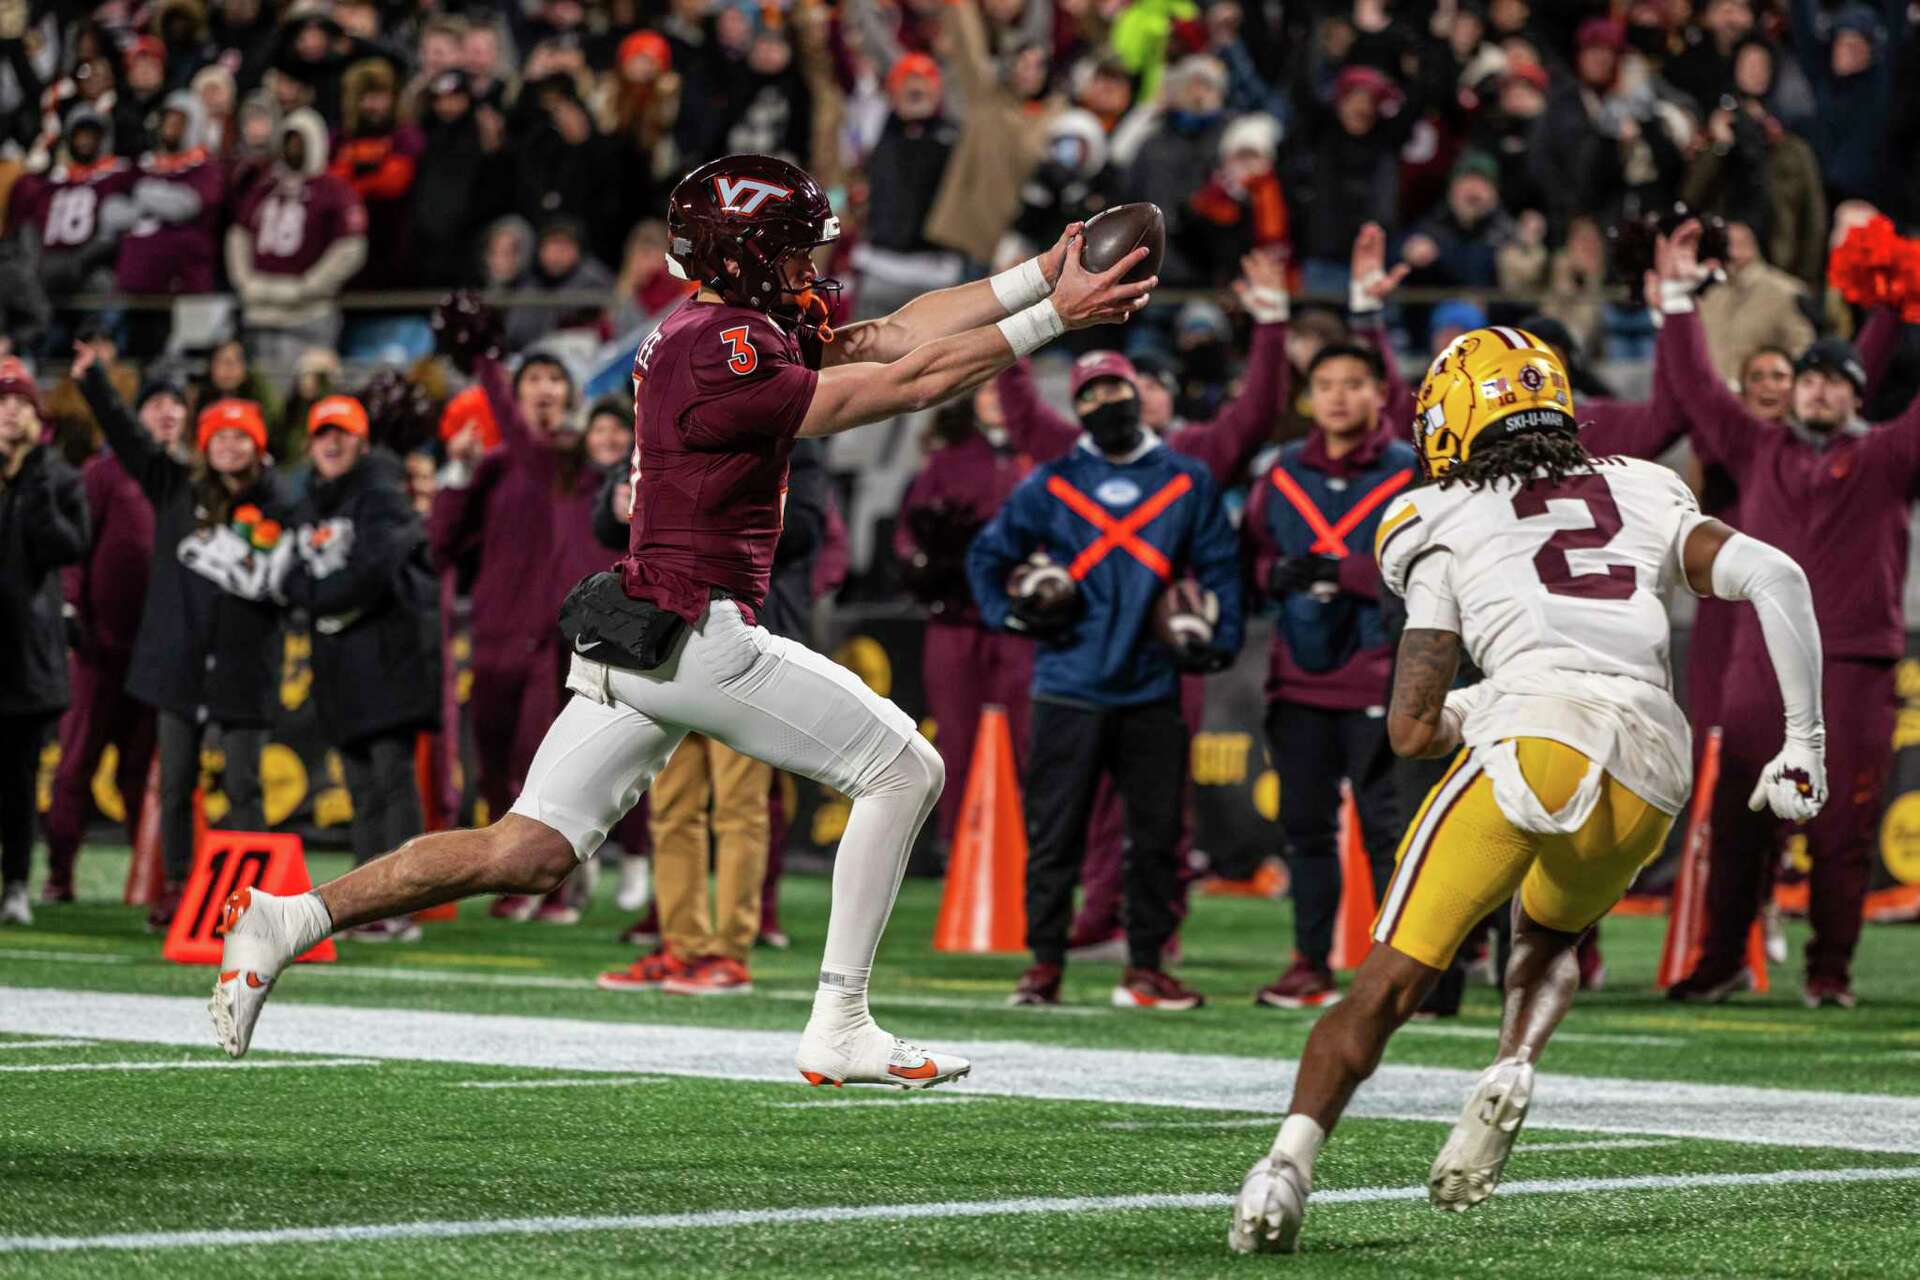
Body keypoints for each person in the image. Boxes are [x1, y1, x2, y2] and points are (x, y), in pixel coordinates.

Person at [210, 153, 1153, 1088]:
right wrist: (1053, 320)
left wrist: (1040, 274)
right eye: (789, 252)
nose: (806, 270)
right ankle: (841, 1022)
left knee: (526, 850)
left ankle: (289, 918)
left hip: (642, 630)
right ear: (744, 254)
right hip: (700, 631)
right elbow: (893, 387)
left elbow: (891, 336)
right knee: (905, 769)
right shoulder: (723, 346)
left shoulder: (718, 322)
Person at [1228, 324, 1827, 1254]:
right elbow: (1777, 576)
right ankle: (1513, 1063)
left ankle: (1284, 1169)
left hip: (1540, 735)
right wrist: (1803, 745)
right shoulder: (1643, 483)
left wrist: (1481, 703)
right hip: (1653, 765)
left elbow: (1412, 726)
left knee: (1387, 984)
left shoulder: (1434, 511)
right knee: (1552, 932)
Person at [1655, 220, 1920, 1007]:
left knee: (1842, 832)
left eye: (1836, 379)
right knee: (1741, 824)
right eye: (1809, 378)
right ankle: (1722, 960)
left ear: (1858, 389)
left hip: (1855, 663)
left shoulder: (1886, 456)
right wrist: (1673, 303)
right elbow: (1699, 389)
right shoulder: (1757, 447)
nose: (1818, 389)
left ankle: (1828, 973)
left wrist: (1901, 310)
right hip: (1758, 666)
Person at [969, 345, 1244, 1010]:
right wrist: (1008, 614)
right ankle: (1044, 965)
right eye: (1088, 396)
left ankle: (1146, 966)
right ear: (1078, 408)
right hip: (1067, 682)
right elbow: (988, 554)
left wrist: (1221, 639)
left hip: (1151, 685)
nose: (1103, 405)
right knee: (1054, 834)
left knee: (1155, 837)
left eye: (1113, 390)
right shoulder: (1051, 482)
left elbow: (1221, 567)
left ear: (1136, 392)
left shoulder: (1185, 479)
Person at [74, 344, 288, 929]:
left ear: (258, 444)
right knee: (174, 786)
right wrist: (94, 380)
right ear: (205, 441)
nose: (229, 445)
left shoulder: (283, 502)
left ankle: (253, 895)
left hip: (245, 664)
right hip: (178, 661)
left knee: (244, 784)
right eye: (219, 435)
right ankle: (176, 886)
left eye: (241, 437)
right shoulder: (174, 487)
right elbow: (128, 437)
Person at [1244, 342, 1416, 1008]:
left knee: (1390, 833)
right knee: (1305, 830)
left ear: (1381, 393)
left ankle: (1402, 970)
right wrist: (1272, 576)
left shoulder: (1411, 473)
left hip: (1381, 677)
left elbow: (1435, 563)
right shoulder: (1281, 472)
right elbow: (1250, 559)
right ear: (1307, 396)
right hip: (1299, 680)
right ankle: (1309, 964)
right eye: (1325, 383)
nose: (1339, 396)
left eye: (1353, 383)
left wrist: (1343, 575)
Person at [426, 346, 602, 924]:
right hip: (494, 638)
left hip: (556, 645)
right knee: (494, 765)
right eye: (534, 379)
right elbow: (441, 543)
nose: (545, 389)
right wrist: (456, 473)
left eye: (556, 379)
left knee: (544, 764)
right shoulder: (495, 467)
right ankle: (514, 873)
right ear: (519, 393)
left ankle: (550, 884)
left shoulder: (579, 465)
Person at [278, 395, 438, 941]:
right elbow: (289, 576)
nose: (331, 442)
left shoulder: (381, 495)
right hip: (342, 665)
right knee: (363, 788)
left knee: (393, 781)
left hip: (387, 660)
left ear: (361, 441)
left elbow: (373, 570)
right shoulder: (310, 503)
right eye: (323, 433)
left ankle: (404, 902)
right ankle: (369, 903)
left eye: (342, 433)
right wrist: (317, 595)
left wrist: (317, 597)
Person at [42, 376, 181, 902]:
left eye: (177, 405)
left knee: (140, 775)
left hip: (156, 659)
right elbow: (78, 546)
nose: (168, 413)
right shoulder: (103, 474)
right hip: (99, 650)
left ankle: (148, 878)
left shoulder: (185, 479)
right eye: (157, 403)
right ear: (136, 415)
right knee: (76, 765)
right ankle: (59, 875)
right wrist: (71, 606)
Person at [0, 358, 88, 925]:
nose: (11, 410)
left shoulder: (56, 478)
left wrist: (31, 482)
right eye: (3, 401)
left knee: (17, 780)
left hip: (26, 657)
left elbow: (66, 546)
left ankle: (14, 886)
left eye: (22, 403)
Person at [226, 108, 367, 365]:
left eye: (300, 142)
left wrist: (309, 286)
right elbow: (239, 236)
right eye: (288, 142)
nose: (293, 149)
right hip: (259, 310)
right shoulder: (265, 187)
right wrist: (246, 282)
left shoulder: (334, 192)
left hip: (308, 313)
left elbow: (350, 247)